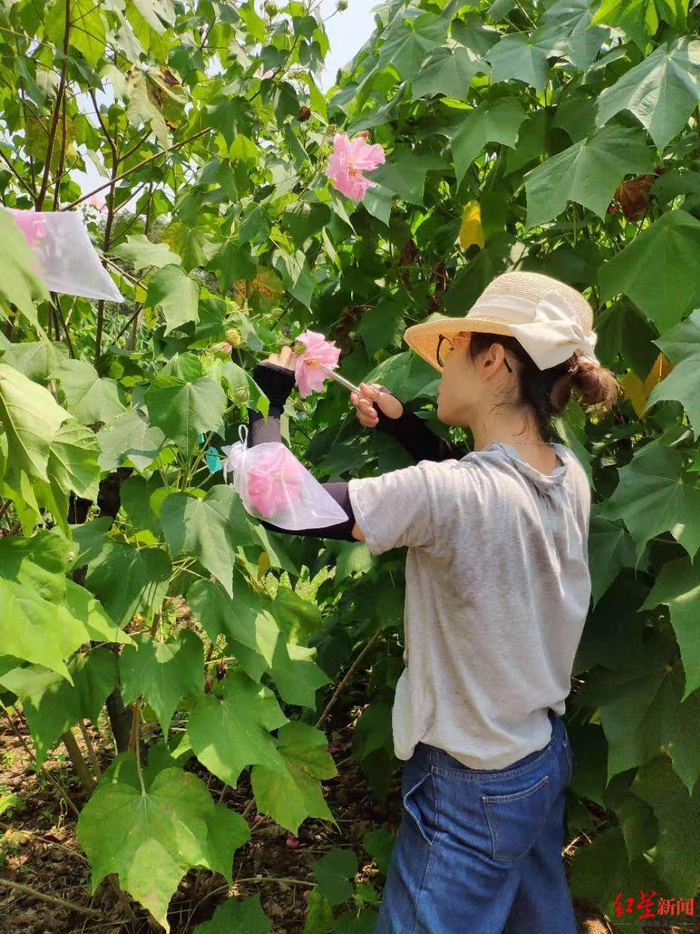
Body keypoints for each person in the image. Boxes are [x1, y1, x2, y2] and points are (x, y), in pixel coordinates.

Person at [244, 271, 619, 934]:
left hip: (468, 788)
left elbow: (281, 504)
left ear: (494, 361)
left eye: (452, 352)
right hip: (537, 755)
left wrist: (265, 401)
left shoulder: (452, 496)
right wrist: (407, 430)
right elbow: (475, 486)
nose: (441, 366)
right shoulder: (565, 471)